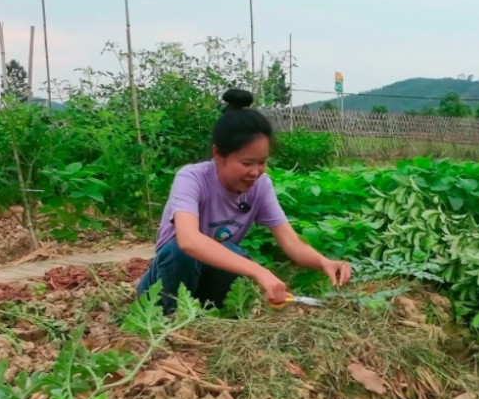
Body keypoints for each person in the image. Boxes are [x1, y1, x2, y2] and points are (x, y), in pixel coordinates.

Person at [137, 89, 351, 313]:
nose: (255, 172)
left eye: (262, 162)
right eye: (247, 163)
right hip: (163, 285)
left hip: (207, 289)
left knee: (234, 254)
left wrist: (324, 262)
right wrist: (259, 271)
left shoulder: (261, 186)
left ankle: (209, 316)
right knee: (182, 253)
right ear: (218, 155)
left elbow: (291, 242)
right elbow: (188, 241)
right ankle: (167, 316)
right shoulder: (192, 178)